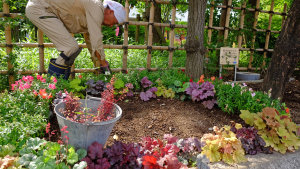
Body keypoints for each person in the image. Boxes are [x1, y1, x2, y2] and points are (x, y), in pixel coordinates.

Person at [25, 0, 125, 79]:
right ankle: (52, 89)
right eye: (114, 22)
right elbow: (96, 40)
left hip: (45, 9)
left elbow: (90, 39)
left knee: (70, 50)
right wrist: (104, 65)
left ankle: (59, 89)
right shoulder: (96, 7)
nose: (112, 26)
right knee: (70, 48)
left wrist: (98, 62)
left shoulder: (94, 12)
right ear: (110, 12)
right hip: (40, 7)